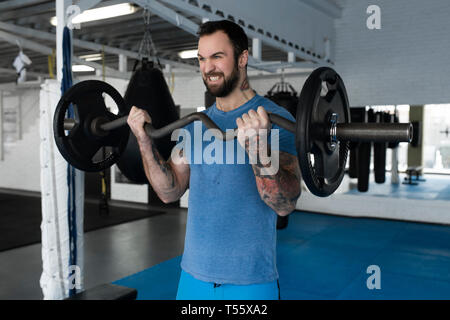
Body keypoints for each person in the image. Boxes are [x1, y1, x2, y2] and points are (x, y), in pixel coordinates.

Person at [127, 20, 301, 300]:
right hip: (193, 279)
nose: (208, 68)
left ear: (242, 58)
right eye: (202, 59)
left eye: (217, 57)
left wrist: (257, 147)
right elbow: (168, 191)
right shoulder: (196, 125)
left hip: (250, 283)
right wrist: (143, 141)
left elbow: (285, 204)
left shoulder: (275, 120)